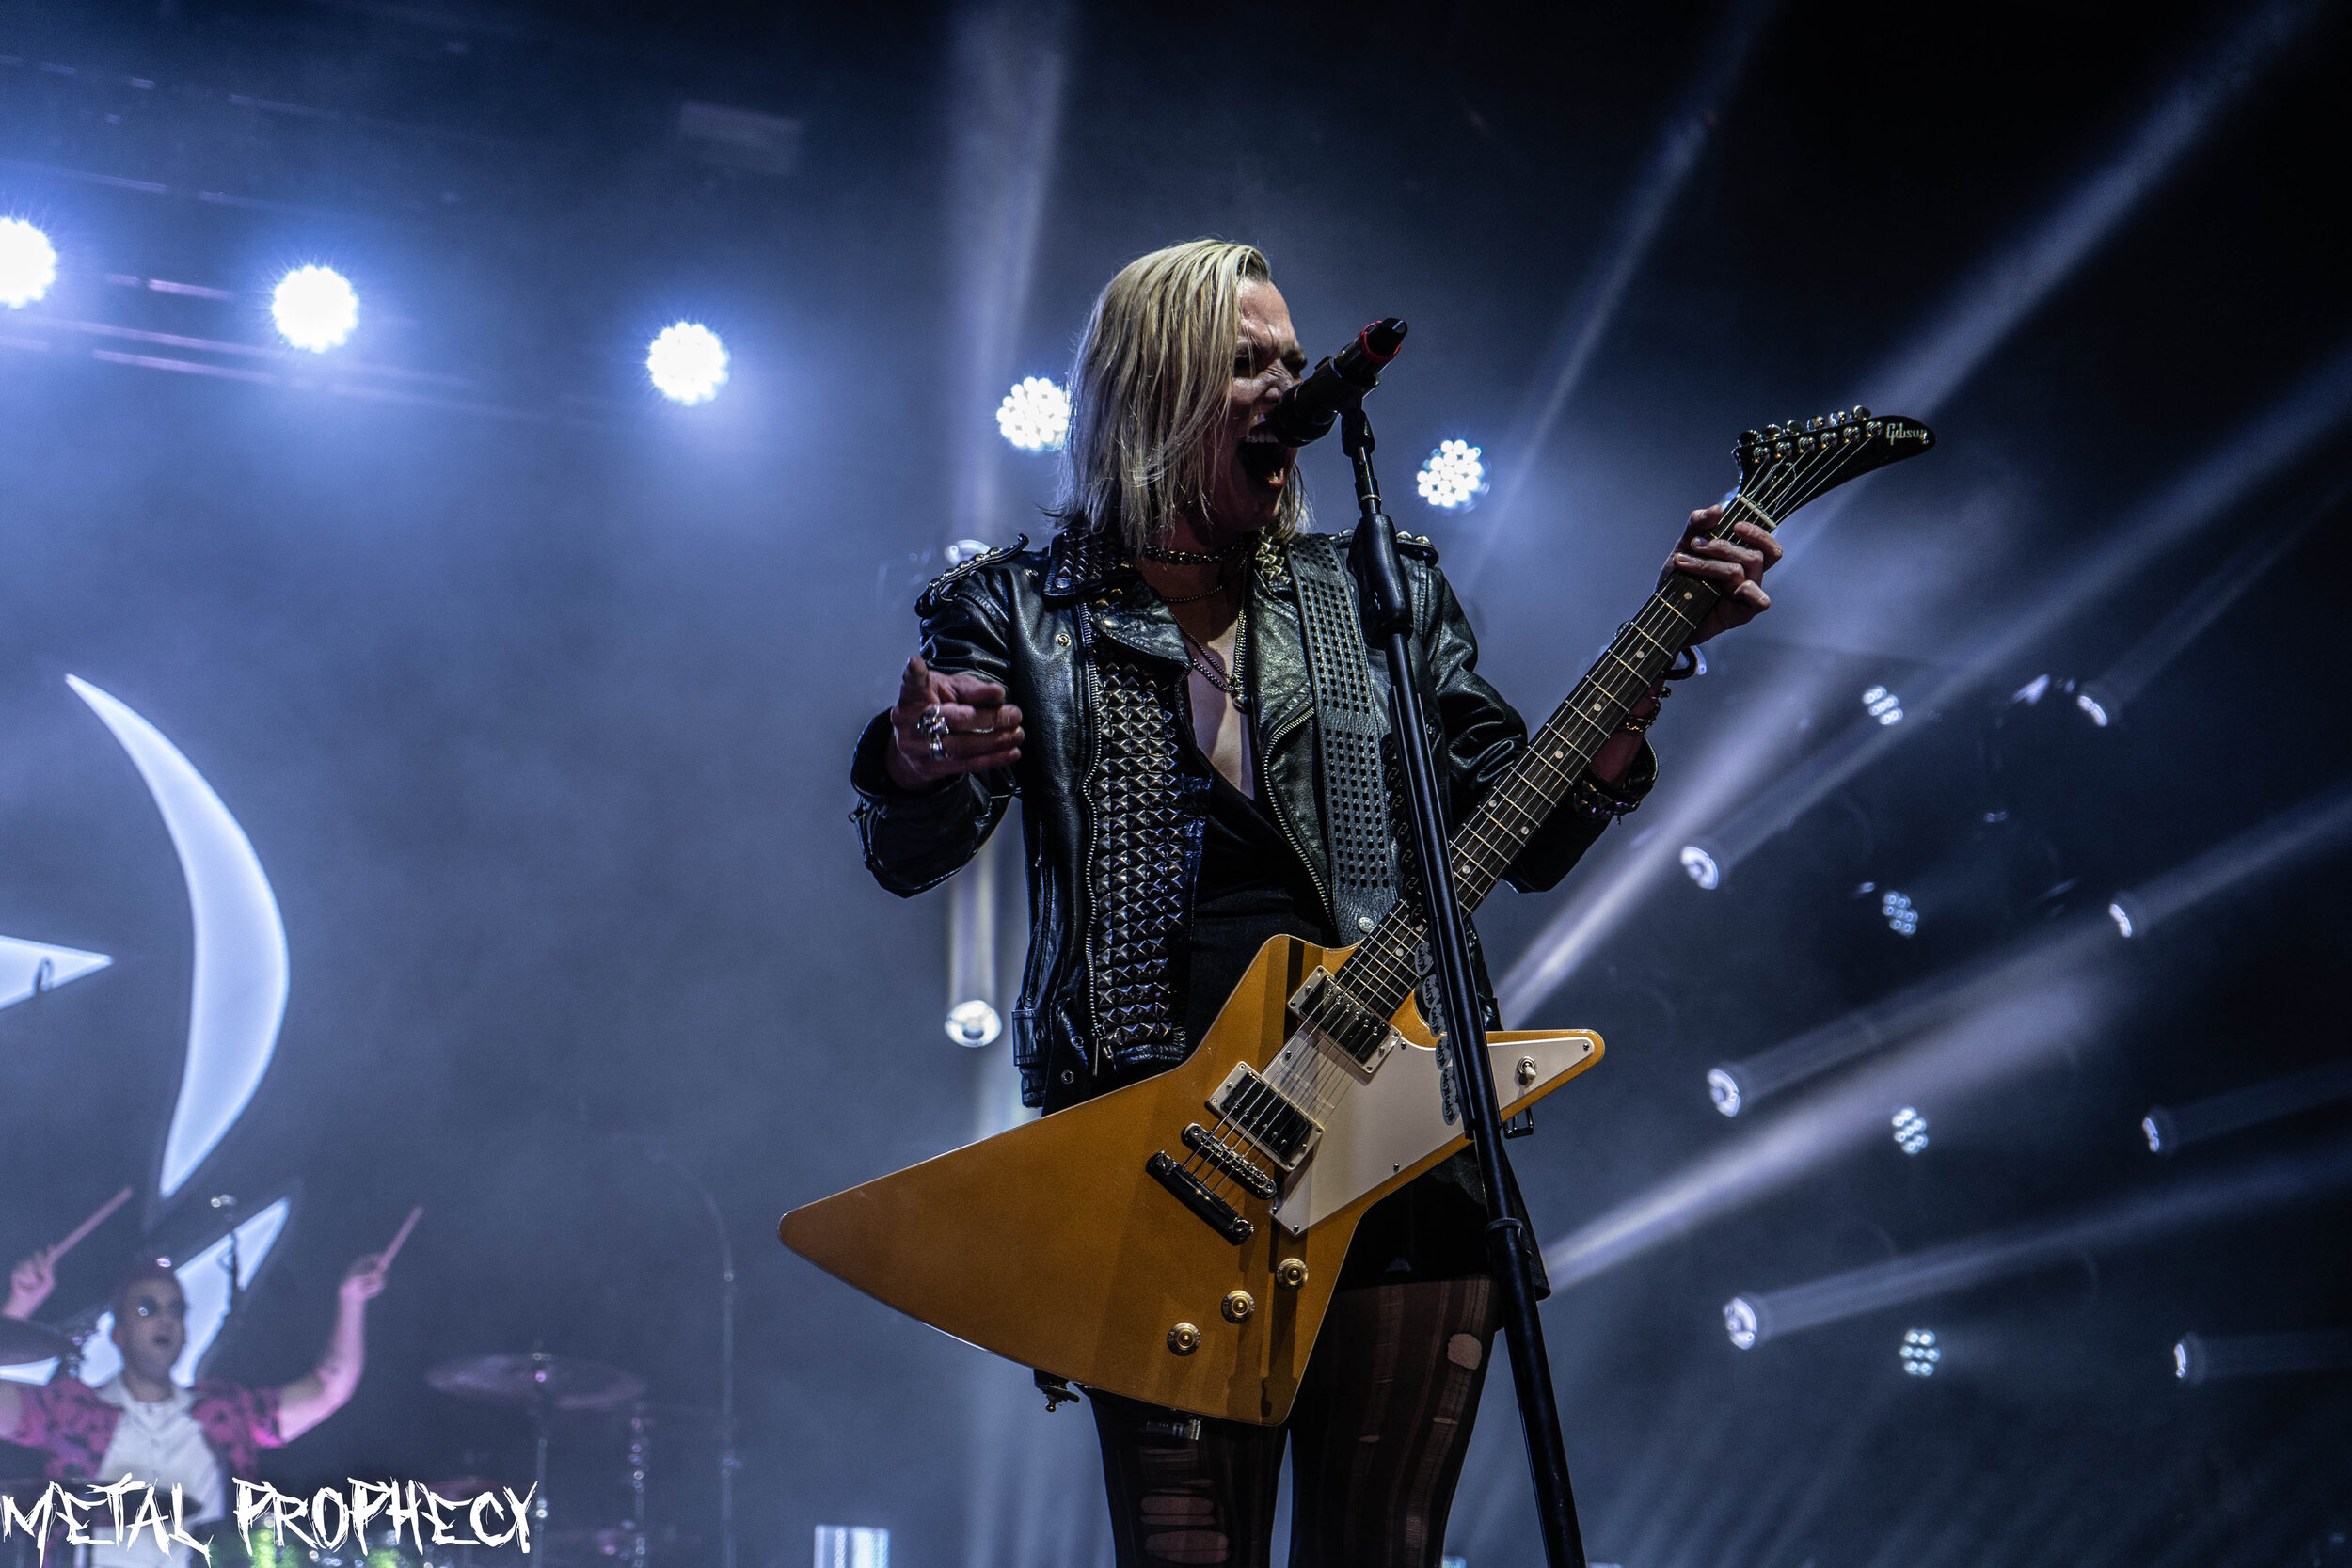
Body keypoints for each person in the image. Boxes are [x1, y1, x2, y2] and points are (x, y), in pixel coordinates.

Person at [850, 239, 1779, 1567]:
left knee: (1384, 1547)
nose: (1285, 383)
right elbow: (911, 844)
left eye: (1292, 360)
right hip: (1170, 1157)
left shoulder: (1375, 588)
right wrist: (914, 758)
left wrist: (1653, 666)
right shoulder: (1017, 608)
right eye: (1245, 361)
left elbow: (1520, 822)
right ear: (1154, 385)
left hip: (1398, 1128)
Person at [1, 1250, 389, 1565]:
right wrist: (16, 1312)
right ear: (117, 1332)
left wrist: (351, 1300)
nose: (165, 1319)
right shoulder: (72, 1409)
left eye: (176, 1309)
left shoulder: (225, 1412)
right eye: (146, 1308)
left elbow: (329, 1388)